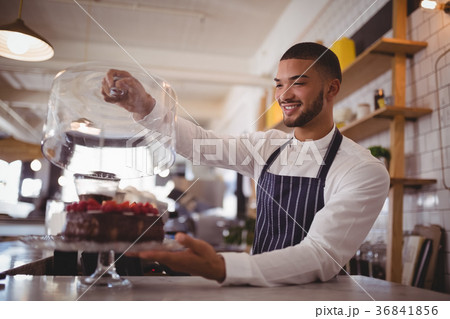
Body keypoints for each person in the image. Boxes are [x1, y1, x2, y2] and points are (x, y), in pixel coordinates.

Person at [101, 42, 390, 287]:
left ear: (332, 89)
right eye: (279, 84)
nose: (284, 95)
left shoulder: (363, 170)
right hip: (258, 294)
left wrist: (222, 267)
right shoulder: (266, 147)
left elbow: (320, 255)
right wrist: (144, 107)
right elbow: (199, 144)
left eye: (298, 83)